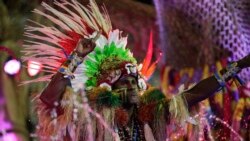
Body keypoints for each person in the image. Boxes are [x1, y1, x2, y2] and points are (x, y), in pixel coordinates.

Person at [22, 0, 250, 140]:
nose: (132, 86)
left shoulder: (152, 117)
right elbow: (49, 99)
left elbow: (192, 96)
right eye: (124, 82)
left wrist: (236, 68)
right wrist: (76, 57)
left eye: (134, 81)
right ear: (106, 88)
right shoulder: (91, 120)